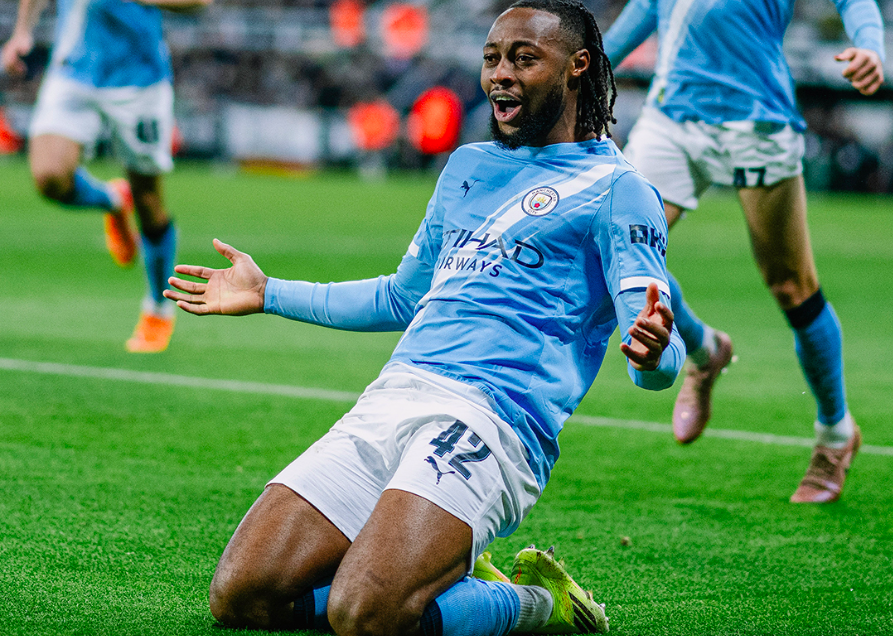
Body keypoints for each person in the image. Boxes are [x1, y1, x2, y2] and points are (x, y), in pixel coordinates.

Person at [164, 1, 684, 634]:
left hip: (493, 422)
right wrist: (270, 292)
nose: (501, 74)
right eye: (492, 58)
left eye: (524, 59)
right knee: (242, 597)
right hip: (393, 397)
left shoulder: (620, 190)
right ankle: (434, 567)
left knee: (366, 613)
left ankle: (539, 604)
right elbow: (400, 298)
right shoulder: (468, 166)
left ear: (577, 67)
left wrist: (654, 354)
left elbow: (657, 356)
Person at [602, 0, 885, 504]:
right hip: (670, 118)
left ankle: (836, 431)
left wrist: (870, 45)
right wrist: (585, 70)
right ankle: (705, 350)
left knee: (791, 286)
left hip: (755, 121)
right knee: (623, 252)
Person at [1, 0, 212, 352]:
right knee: (50, 178)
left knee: (149, 201)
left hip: (138, 80)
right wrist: (22, 31)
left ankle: (158, 310)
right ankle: (113, 199)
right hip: (74, 69)